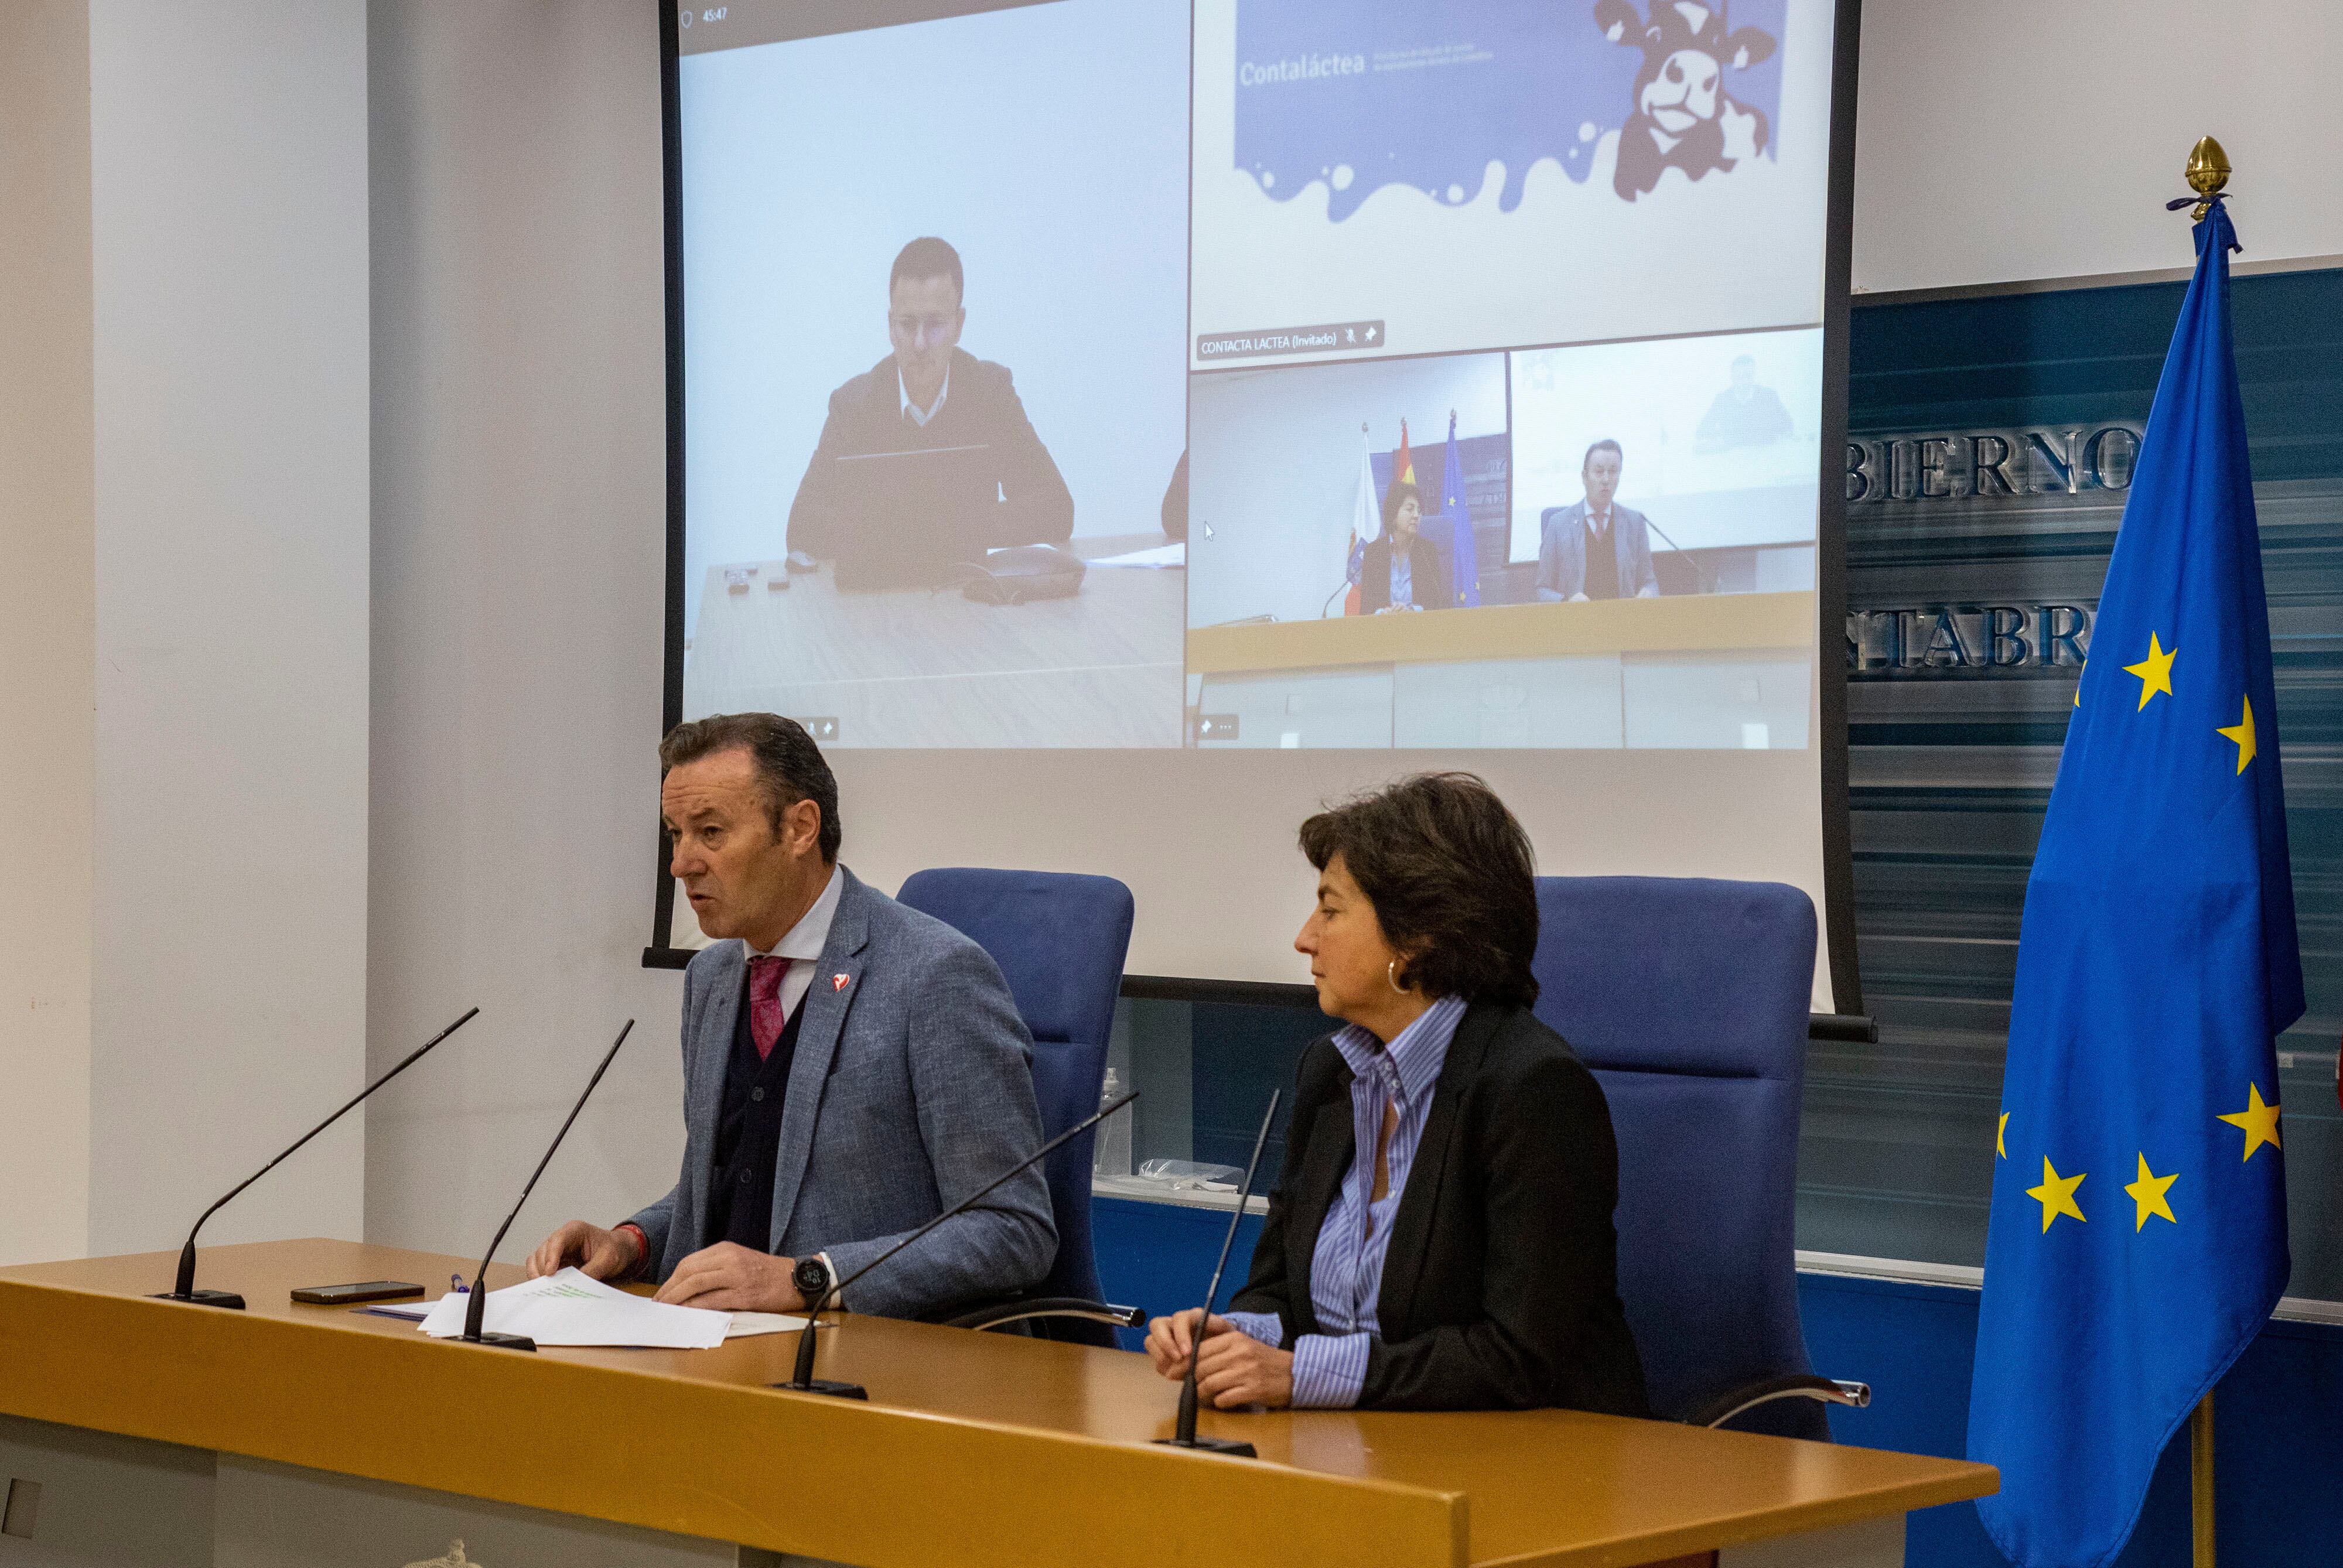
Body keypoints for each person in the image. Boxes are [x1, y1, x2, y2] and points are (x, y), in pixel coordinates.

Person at [1142, 774, 1649, 1414]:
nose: (1304, 937)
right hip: (1363, 1452)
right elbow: (1278, 1291)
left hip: (1530, 1467)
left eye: (1330, 909)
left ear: (1416, 936)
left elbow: (1517, 1357)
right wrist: (1233, 1338)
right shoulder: (1330, 1071)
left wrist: (1301, 1375)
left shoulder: (1532, 1090)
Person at [525, 713, 1055, 1318]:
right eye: (676, 834)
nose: (682, 864)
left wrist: (812, 1279)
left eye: (711, 832)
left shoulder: (934, 977)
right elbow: (740, 1188)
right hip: (713, 1351)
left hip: (863, 1365)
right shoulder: (712, 978)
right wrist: (632, 1242)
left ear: (800, 828)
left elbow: (1013, 1230)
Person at [784, 237, 1074, 574]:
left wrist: (914, 529)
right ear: (890, 327)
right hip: (877, 605)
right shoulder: (854, 406)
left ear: (959, 325)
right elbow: (802, 530)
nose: (920, 344)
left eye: (935, 324)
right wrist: (952, 528)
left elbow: (1057, 510)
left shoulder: (990, 394)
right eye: (907, 325)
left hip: (971, 601)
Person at [1536, 439, 1659, 602]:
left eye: (1613, 471)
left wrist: (1649, 592)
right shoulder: (1558, 525)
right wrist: (1566, 602)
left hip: (1623, 621)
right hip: (1575, 622)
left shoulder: (1635, 523)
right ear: (1585, 477)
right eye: (1599, 472)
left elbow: (1650, 582)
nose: (1606, 480)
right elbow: (1542, 590)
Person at [1357, 481, 1453, 614]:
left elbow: (1440, 602)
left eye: (1419, 511)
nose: (1416, 515)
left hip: (1421, 628)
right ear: (1393, 514)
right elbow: (1366, 607)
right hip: (1382, 630)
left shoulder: (1427, 551)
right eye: (1410, 509)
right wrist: (1383, 613)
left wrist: (1412, 611)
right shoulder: (1374, 553)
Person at [1694, 354, 1794, 453]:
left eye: (1749, 376)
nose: (1745, 381)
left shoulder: (1769, 396)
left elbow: (1787, 425)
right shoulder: (1722, 399)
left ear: (1754, 375)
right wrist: (1724, 438)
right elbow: (1703, 430)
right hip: (1732, 458)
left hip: (1765, 454)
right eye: (1740, 377)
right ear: (1732, 377)